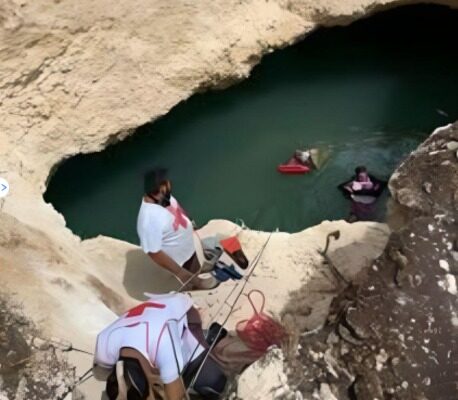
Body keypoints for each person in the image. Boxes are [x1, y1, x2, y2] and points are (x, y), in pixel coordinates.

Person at [93, 292, 228, 400]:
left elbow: (177, 396)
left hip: (184, 313)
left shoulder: (165, 348)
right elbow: (106, 377)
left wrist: (171, 386)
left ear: (154, 379)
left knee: (216, 384)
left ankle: (207, 337)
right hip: (156, 317)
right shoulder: (104, 347)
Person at [137, 169, 219, 290]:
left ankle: (201, 265)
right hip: (182, 261)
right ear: (159, 190)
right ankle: (196, 282)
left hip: (191, 247)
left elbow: (177, 208)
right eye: (166, 183)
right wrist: (181, 273)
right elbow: (154, 252)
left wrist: (190, 223)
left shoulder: (163, 198)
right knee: (192, 274)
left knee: (200, 258)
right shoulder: (148, 219)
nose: (170, 184)